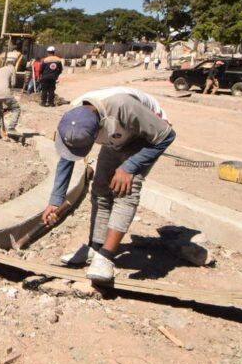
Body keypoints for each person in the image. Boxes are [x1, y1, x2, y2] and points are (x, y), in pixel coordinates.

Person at [44, 87, 176, 283]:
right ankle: (95, 248)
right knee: (100, 191)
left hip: (144, 138)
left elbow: (167, 136)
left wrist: (130, 167)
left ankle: (106, 258)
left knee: (124, 191)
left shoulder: (122, 106)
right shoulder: (74, 115)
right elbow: (67, 156)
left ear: (98, 129)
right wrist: (56, 199)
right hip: (115, 136)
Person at [0, 58, 21, 139]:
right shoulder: (11, 68)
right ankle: (11, 128)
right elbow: (13, 83)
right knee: (16, 108)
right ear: (13, 64)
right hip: (4, 92)